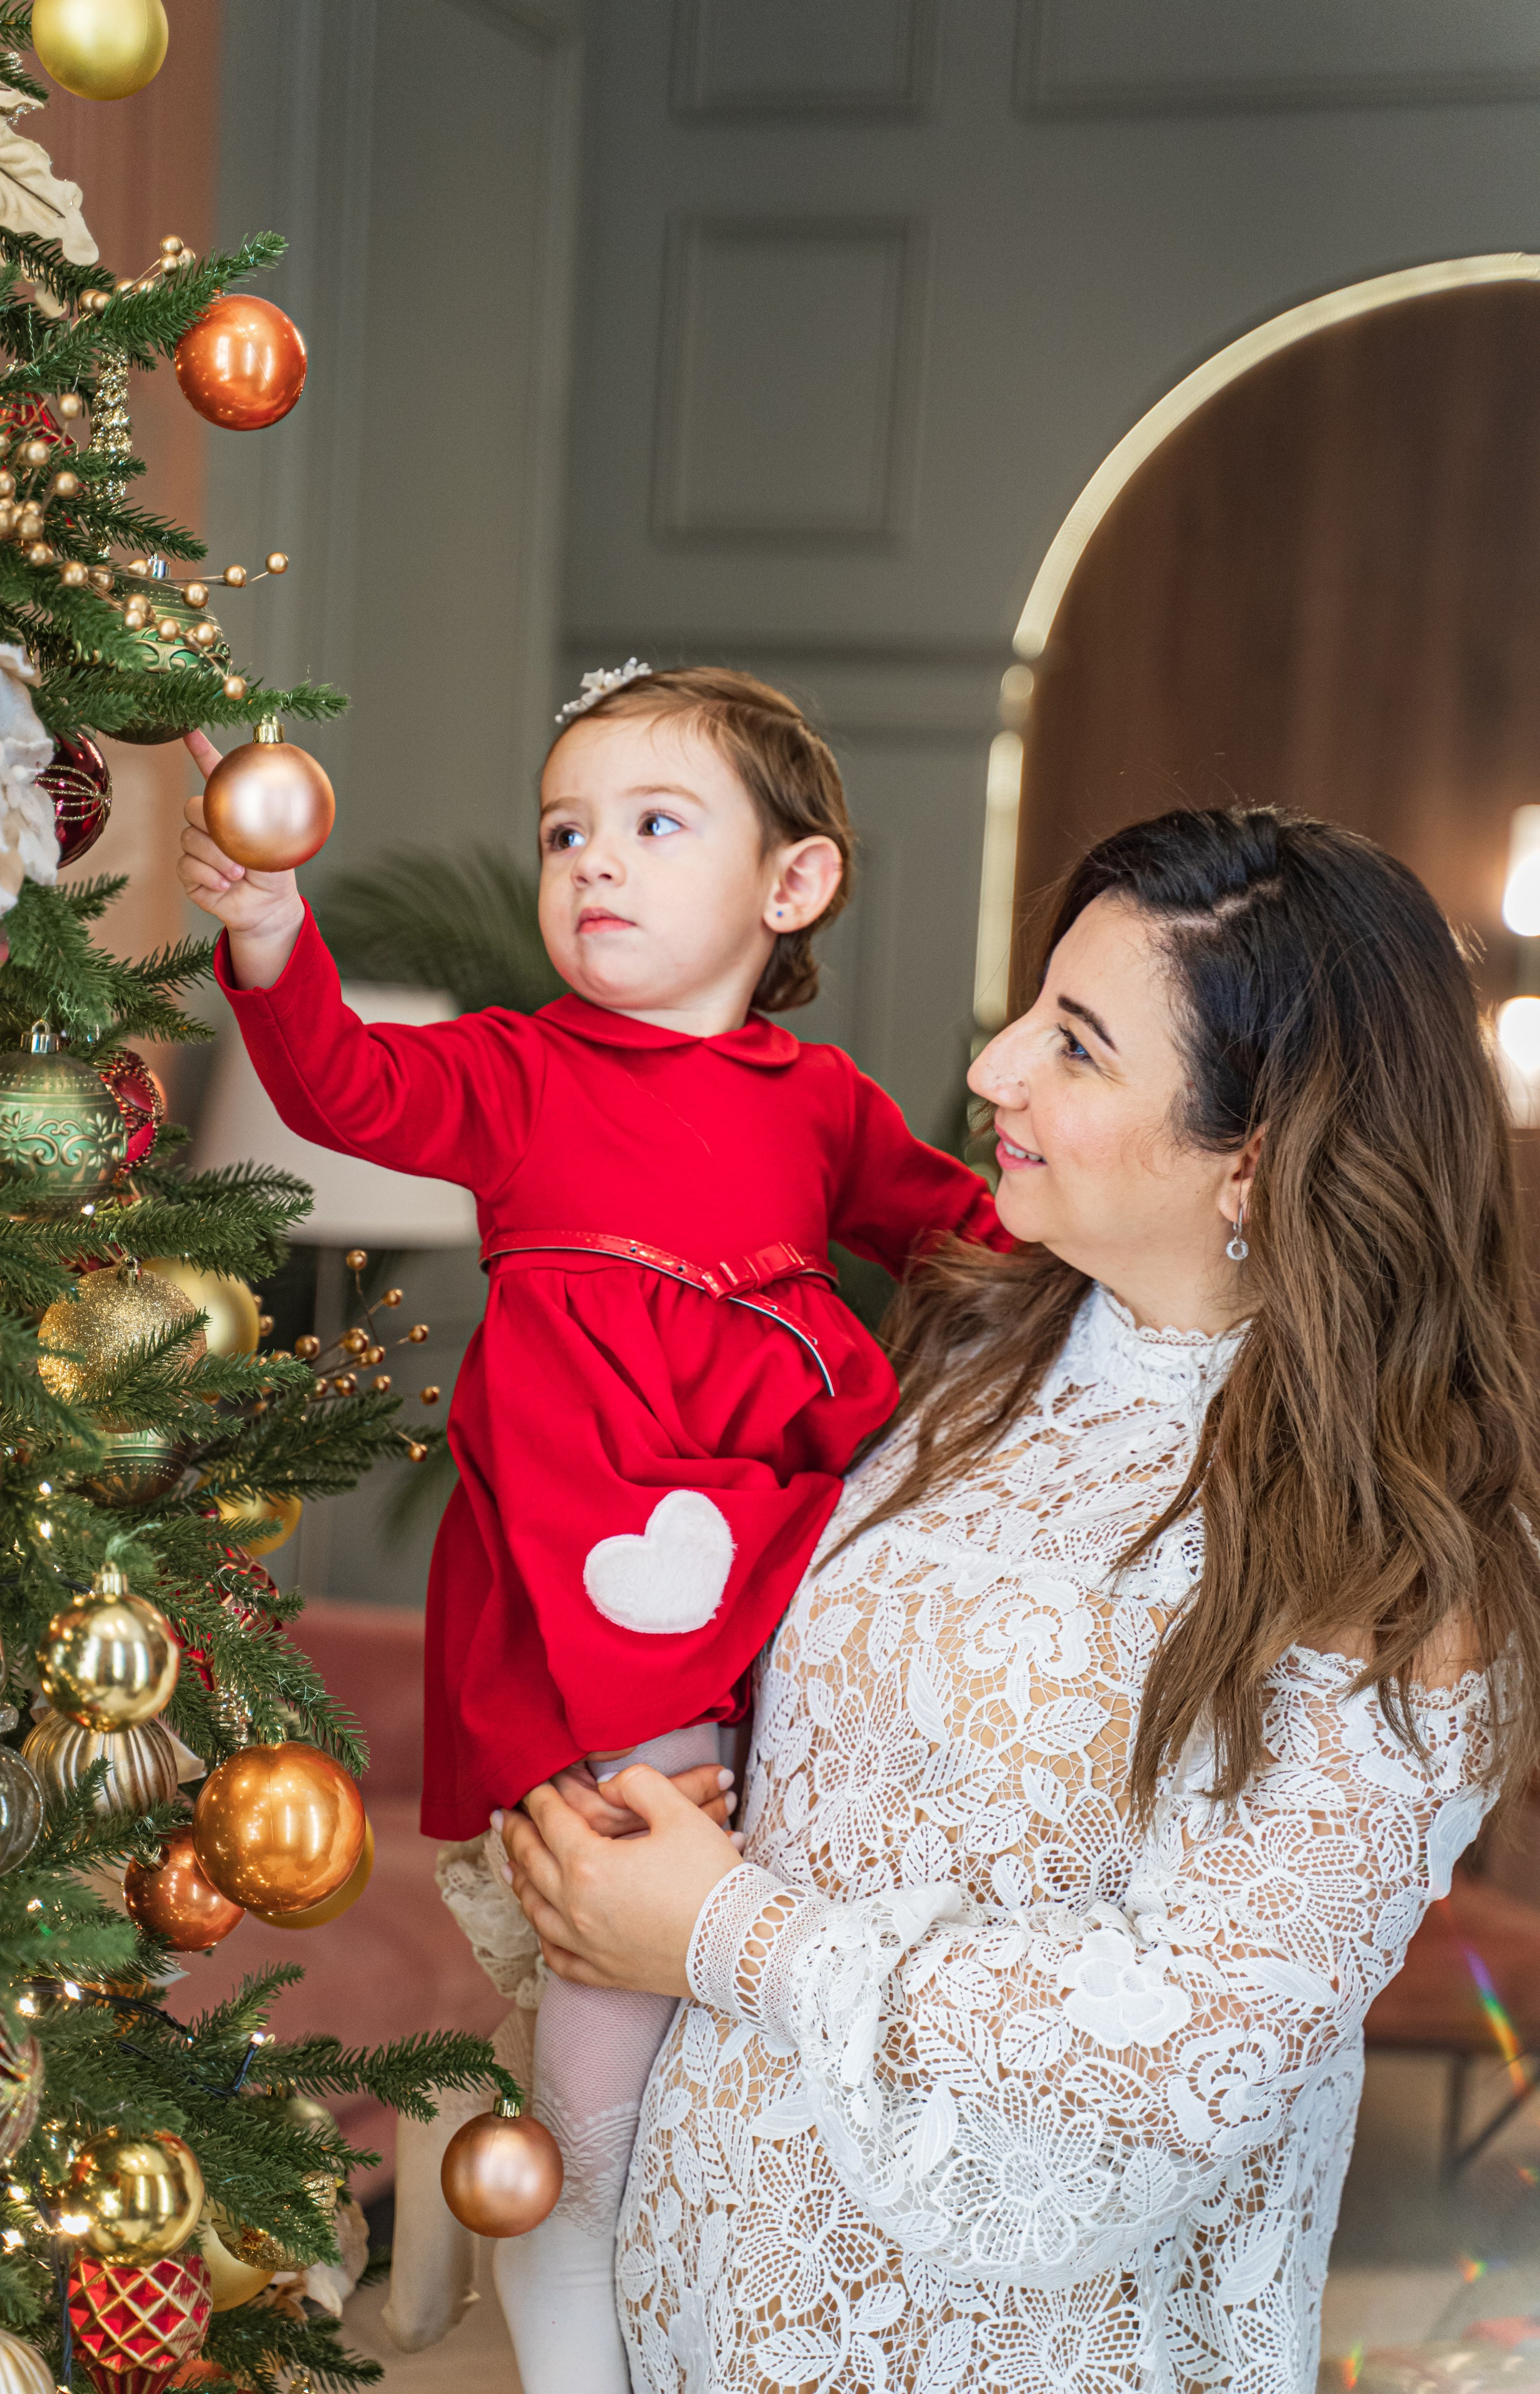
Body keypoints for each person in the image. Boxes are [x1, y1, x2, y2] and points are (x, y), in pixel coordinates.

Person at [497, 805, 1540, 2394]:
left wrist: (722, 1935)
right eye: (1029, 1013)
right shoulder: (969, 1350)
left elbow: (1197, 2042)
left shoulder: (1397, 1545)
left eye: (1076, 1046)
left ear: (1252, 1153)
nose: (991, 1070)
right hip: (702, 2298)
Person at [177, 666, 1009, 2393]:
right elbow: (345, 1088)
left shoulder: (822, 1103)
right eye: (565, 833)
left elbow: (978, 1245)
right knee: (603, 2049)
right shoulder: (520, 1072)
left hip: (768, 1579)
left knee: (726, 2016)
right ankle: (576, 2344)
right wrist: (268, 930)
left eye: (652, 825)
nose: (592, 864)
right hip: (587, 1596)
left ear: (792, 884)